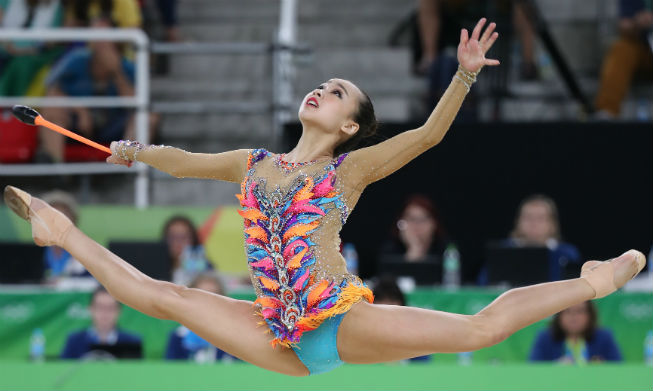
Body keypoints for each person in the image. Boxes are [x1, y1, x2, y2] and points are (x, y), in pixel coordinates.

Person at [4, 18, 646, 377]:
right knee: (164, 297)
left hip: (337, 320)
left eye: (337, 92)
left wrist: (464, 74)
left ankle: (591, 282)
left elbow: (427, 137)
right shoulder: (252, 165)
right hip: (274, 329)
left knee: (476, 331)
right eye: (323, 85)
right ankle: (59, 230)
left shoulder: (348, 171)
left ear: (345, 127)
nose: (322, 90)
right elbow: (185, 164)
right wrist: (134, 152)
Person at [37, 16, 136, 162]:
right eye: (95, 34)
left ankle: (125, 170)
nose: (99, 40)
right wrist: (79, 109)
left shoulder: (128, 67)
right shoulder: (75, 59)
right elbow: (52, 90)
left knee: (146, 117)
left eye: (104, 35)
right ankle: (55, 171)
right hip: (77, 125)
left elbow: (134, 104)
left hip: (114, 127)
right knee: (53, 108)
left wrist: (117, 72)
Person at [379, 194, 456, 284]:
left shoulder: (447, 250)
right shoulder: (389, 250)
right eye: (411, 219)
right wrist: (413, 251)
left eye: (422, 219)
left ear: (434, 223)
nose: (417, 225)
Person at [594, 0, 653, 118]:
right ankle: (607, 112)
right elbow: (624, 26)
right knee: (621, 49)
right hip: (641, 47)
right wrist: (638, 22)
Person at [165, 273, 238, 362]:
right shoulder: (178, 336)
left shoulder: (233, 338)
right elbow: (170, 371)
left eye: (214, 296)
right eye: (202, 296)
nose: (207, 303)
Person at [60, 286, 142, 359]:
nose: (105, 313)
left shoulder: (132, 341)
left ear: (119, 311)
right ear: (90, 309)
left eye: (110, 308)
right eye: (100, 307)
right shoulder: (74, 341)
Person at [529, 301, 622, 363]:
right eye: (567, 311)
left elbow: (619, 369)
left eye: (580, 311)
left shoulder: (604, 337)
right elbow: (532, 371)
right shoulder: (545, 337)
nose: (573, 317)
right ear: (558, 315)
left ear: (590, 315)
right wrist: (555, 367)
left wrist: (603, 368)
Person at [373, 276, 431, 362]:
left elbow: (422, 365)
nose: (387, 305)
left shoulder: (414, 333)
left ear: (401, 302)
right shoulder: (365, 331)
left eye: (392, 300)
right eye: (382, 300)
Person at [41, 190, 91, 282]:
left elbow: (92, 283)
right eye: (51, 217)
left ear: (73, 220)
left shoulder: (85, 253)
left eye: (62, 217)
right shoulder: (37, 251)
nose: (57, 222)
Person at [162, 215, 212, 285]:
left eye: (183, 237)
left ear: (193, 239)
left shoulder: (203, 265)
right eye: (173, 237)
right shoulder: (156, 266)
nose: (178, 242)